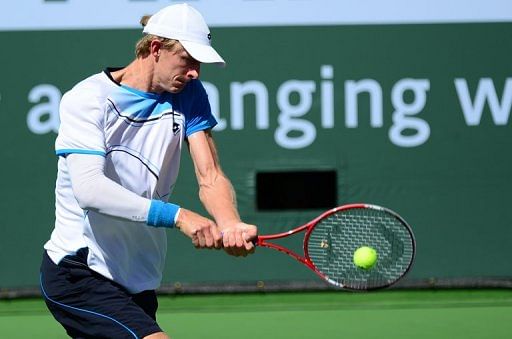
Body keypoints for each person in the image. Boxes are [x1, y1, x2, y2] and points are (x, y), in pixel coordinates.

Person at [40, 3, 258, 338]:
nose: (195, 71)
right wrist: (180, 216)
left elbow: (210, 174)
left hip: (137, 276)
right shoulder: (88, 99)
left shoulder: (189, 94)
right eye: (188, 60)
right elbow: (90, 190)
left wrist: (229, 223)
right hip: (79, 268)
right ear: (155, 48)